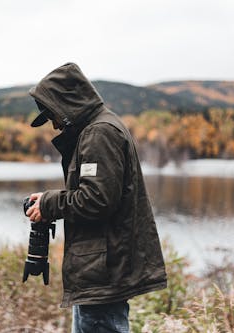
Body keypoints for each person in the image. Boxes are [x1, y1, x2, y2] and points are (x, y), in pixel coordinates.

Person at [25, 63, 167, 333]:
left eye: (53, 115)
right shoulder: (97, 129)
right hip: (98, 269)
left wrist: (49, 204)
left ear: (67, 104)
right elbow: (97, 192)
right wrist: (49, 200)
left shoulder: (99, 133)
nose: (54, 125)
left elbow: (97, 199)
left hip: (103, 271)